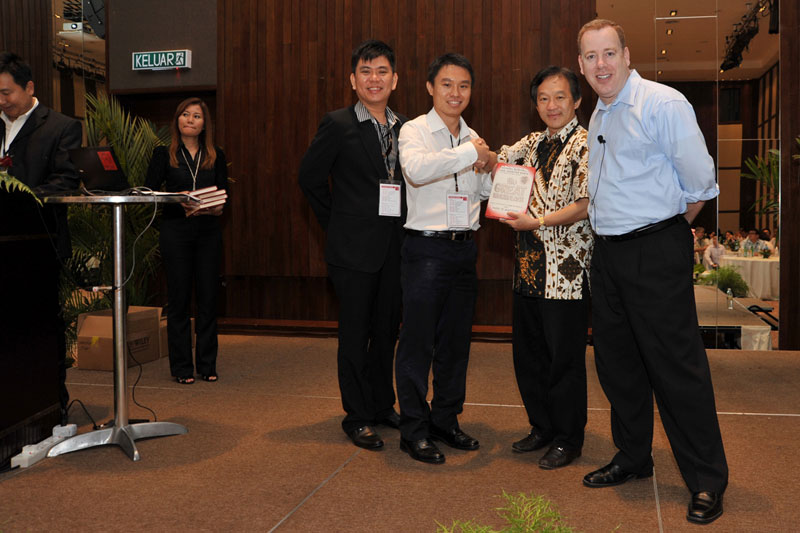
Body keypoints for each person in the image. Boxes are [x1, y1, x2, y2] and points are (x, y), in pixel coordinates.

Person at [577, 19, 728, 525]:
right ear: (582, 65)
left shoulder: (662, 104)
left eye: (608, 53)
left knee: (676, 368)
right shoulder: (600, 112)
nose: (601, 64)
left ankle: (706, 479)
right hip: (608, 254)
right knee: (618, 366)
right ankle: (633, 456)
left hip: (654, 250)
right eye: (591, 56)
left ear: (626, 55)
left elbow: (701, 184)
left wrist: (663, 234)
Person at [298, 40, 406, 450]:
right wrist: (337, 224)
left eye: (382, 71)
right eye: (365, 71)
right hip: (352, 251)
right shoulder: (338, 123)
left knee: (387, 331)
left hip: (396, 247)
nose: (373, 78)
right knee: (355, 333)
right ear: (353, 79)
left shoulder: (406, 128)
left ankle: (381, 404)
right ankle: (357, 416)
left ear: (394, 80)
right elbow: (309, 178)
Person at [488, 66, 592, 469]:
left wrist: (539, 222)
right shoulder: (531, 143)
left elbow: (585, 204)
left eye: (560, 97)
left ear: (577, 100)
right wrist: (475, 150)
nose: (551, 105)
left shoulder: (586, 144)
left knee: (564, 359)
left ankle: (568, 438)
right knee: (529, 356)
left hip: (566, 273)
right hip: (529, 269)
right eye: (544, 98)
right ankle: (542, 426)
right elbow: (497, 161)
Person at [395, 53, 492, 464]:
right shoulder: (414, 131)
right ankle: (414, 429)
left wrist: (494, 173)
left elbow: (482, 193)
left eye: (464, 85)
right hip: (426, 249)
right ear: (430, 88)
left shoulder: (474, 137)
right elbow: (417, 170)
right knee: (418, 343)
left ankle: (445, 420)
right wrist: (471, 154)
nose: (456, 93)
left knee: (456, 343)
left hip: (464, 247)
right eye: (447, 84)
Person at [0, 51, 82, 417]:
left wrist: (20, 197)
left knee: (42, 327)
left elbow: (65, 181)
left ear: (29, 87)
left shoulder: (61, 126)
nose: (2, 101)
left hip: (39, 244)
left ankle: (51, 406)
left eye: (6, 93)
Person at [145, 98, 227, 384]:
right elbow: (148, 191)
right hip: (175, 231)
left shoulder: (216, 154)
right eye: (185, 114)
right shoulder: (163, 153)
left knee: (208, 299)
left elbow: (224, 193)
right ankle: (181, 368)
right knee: (179, 300)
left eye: (197, 116)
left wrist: (216, 207)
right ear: (177, 120)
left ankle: (207, 365)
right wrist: (176, 200)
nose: (190, 120)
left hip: (208, 232)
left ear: (205, 124)